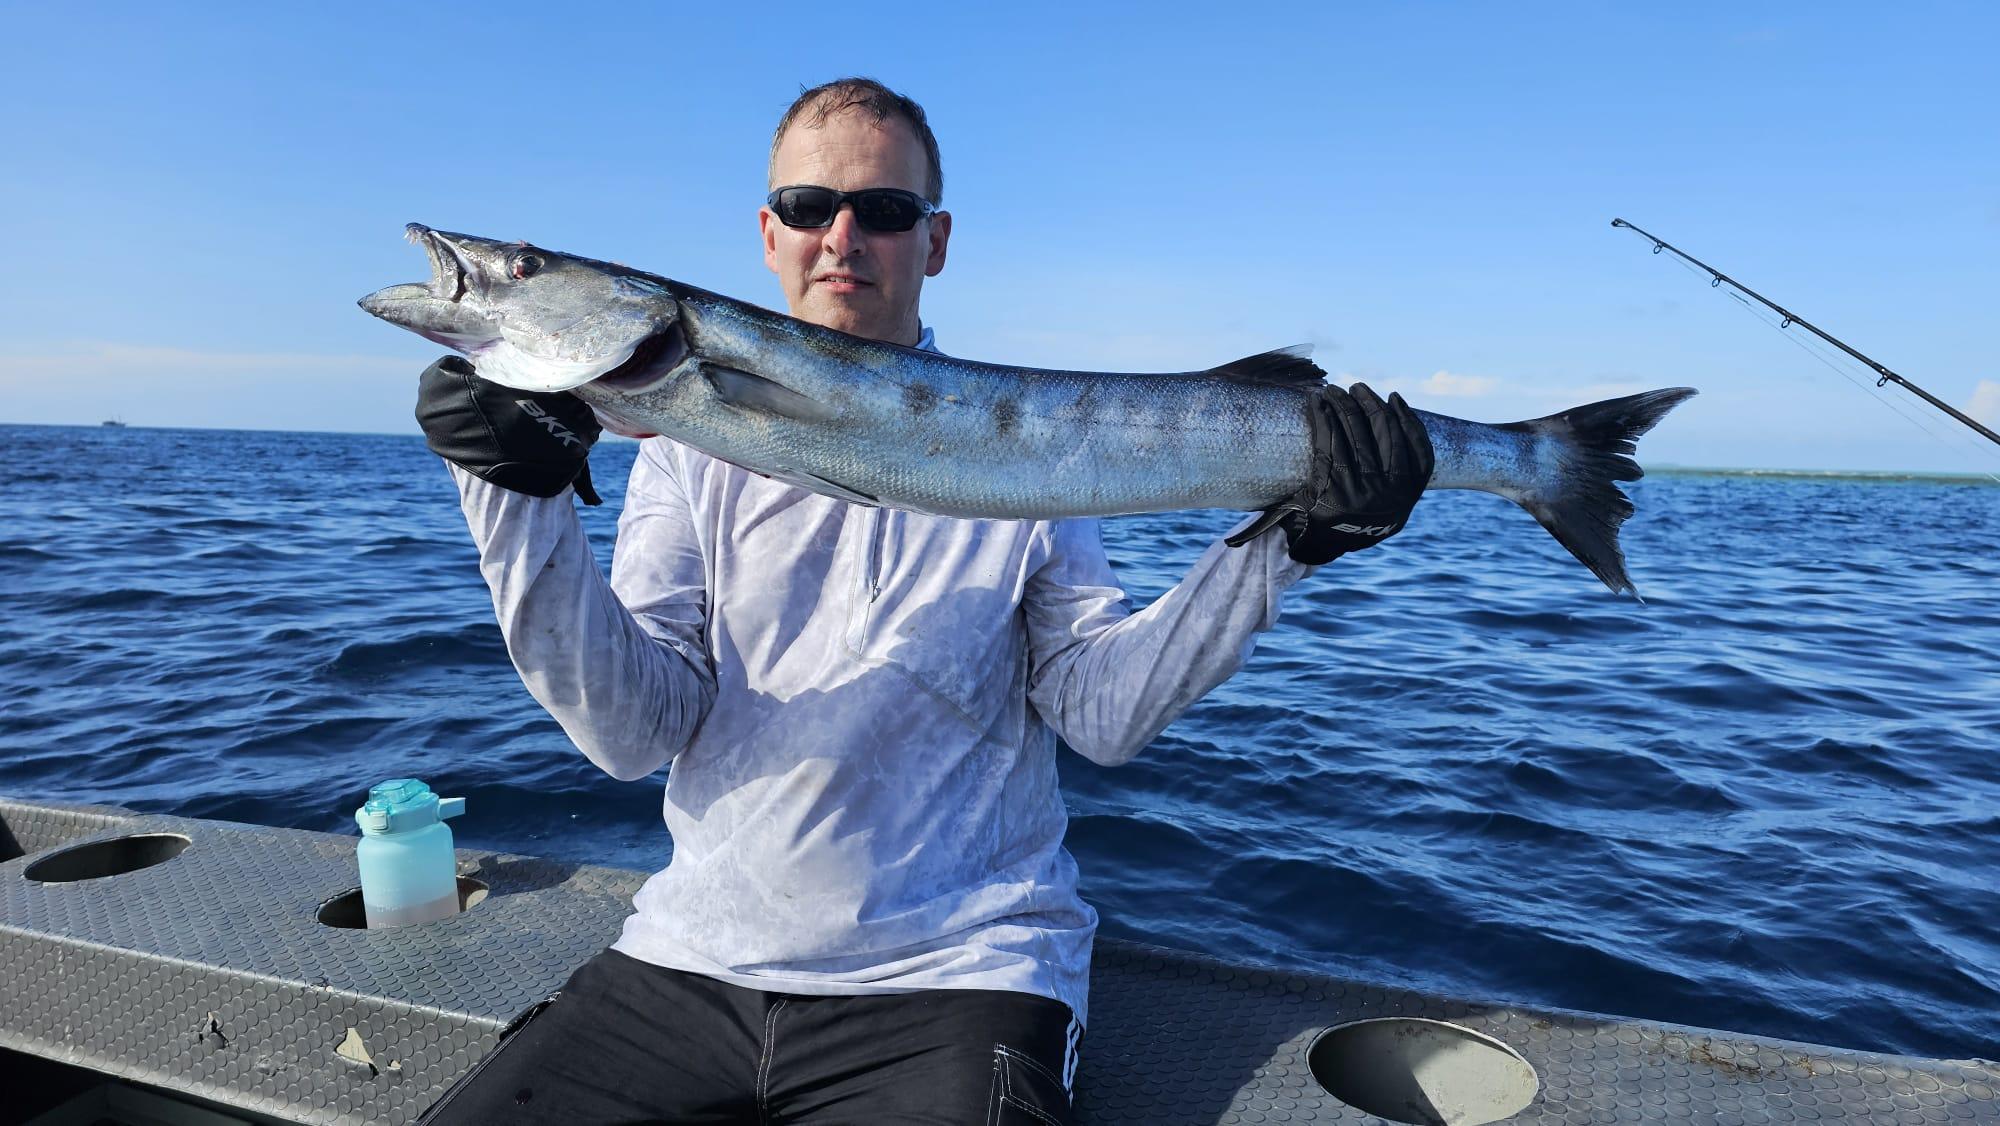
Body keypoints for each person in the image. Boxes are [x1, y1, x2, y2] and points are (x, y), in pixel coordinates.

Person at [412, 77, 1431, 1125]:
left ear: (933, 240)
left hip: (964, 974)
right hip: (690, 960)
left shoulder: (1033, 450)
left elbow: (1101, 716)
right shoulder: (680, 451)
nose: (841, 236)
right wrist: (512, 495)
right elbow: (634, 733)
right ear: (769, 234)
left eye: (885, 210)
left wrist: (1289, 545)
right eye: (809, 206)